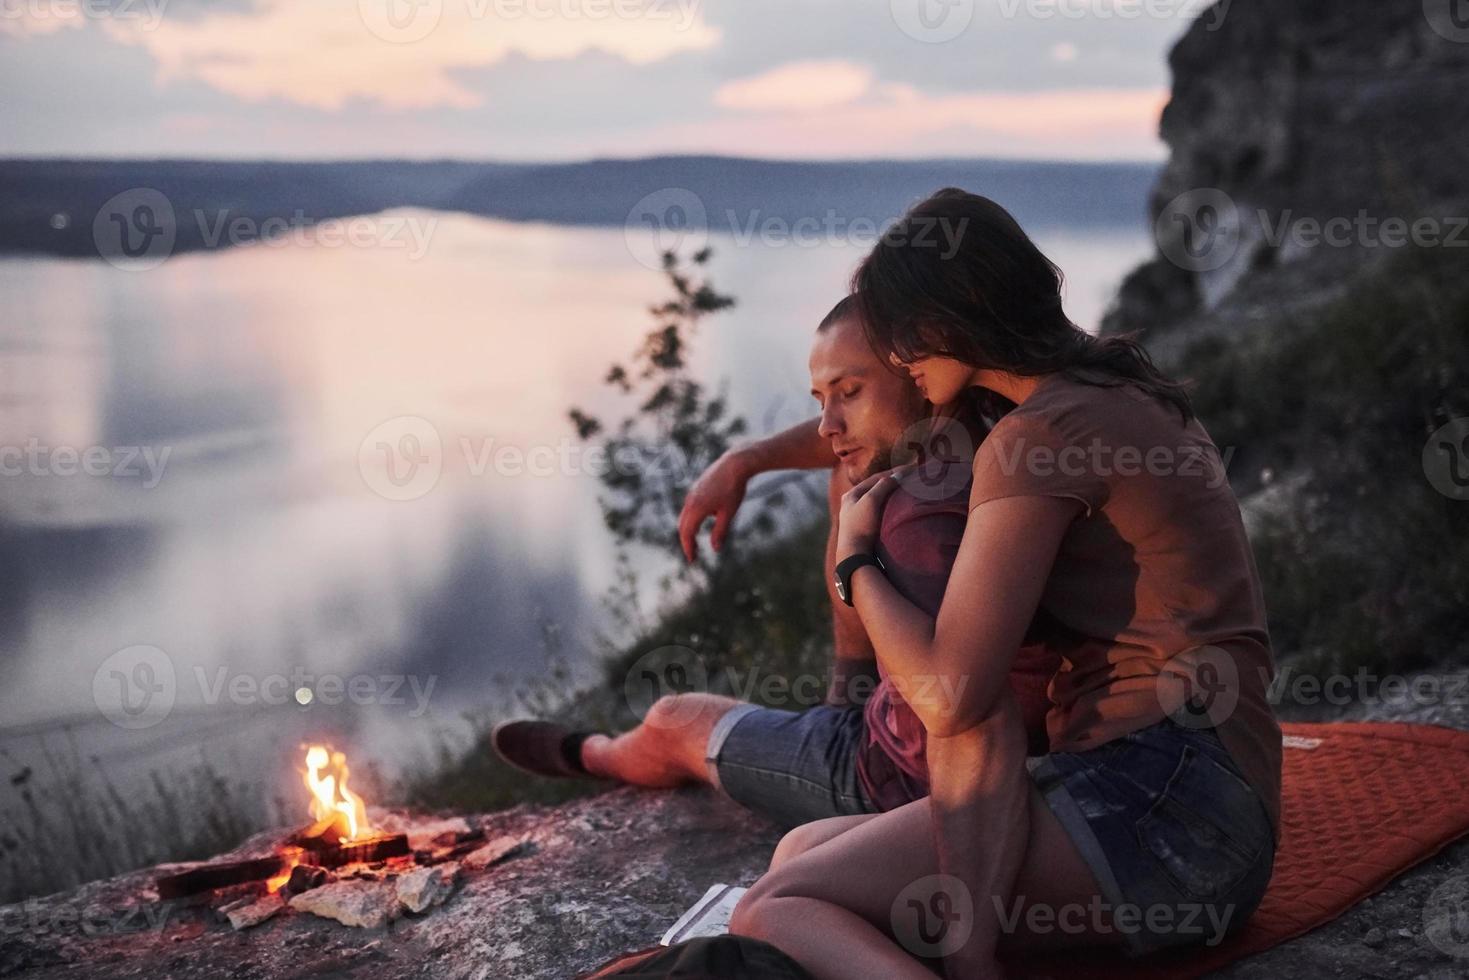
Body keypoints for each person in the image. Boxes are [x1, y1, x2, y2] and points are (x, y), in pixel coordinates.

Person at [728, 188, 1282, 980]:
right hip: (1207, 795)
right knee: (801, 850)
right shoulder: (1112, 390)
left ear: (944, 323)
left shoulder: (1036, 438)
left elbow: (952, 694)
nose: (899, 364)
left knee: (775, 909)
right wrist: (747, 460)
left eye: (898, 340)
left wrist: (856, 563)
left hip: (1167, 807)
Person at [491, 296, 1058, 829]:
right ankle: (849, 695)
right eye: (821, 400)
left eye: (849, 392)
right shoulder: (991, 446)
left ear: (919, 376)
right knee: (848, 471)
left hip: (892, 780)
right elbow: (860, 437)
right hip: (946, 739)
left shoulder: (914, 521)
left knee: (671, 720)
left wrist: (854, 559)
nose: (826, 425)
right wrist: (748, 459)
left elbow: (947, 710)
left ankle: (592, 754)